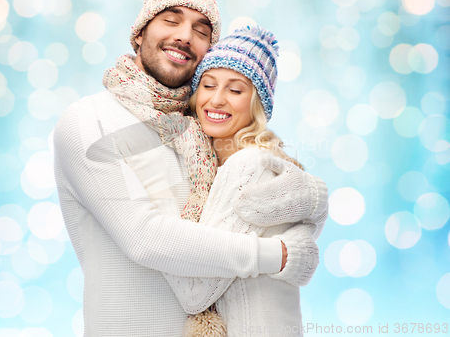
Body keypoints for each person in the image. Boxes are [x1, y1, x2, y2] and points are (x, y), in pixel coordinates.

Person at [54, 0, 291, 336]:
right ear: (141, 31)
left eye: (201, 29)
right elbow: (146, 238)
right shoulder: (89, 120)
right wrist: (279, 255)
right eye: (171, 19)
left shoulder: (206, 132)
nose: (184, 35)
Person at [126, 26, 329, 337]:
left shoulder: (248, 164)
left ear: (256, 105)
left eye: (235, 90)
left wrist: (157, 216)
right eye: (208, 85)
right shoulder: (214, 165)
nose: (217, 100)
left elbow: (195, 292)